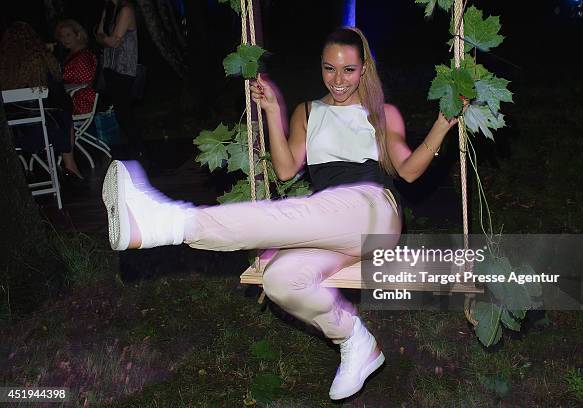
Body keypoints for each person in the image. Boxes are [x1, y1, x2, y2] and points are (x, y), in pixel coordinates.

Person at [102, 27, 460, 400]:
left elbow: (408, 170)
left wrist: (441, 125)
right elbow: (287, 169)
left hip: (374, 210)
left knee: (288, 216)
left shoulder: (381, 114)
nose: (338, 80)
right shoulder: (308, 112)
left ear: (364, 69)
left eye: (349, 70)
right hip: (331, 224)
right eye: (329, 69)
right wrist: (273, 111)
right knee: (280, 280)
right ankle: (355, 340)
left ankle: (167, 223)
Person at [0, 21, 83, 179]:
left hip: (13, 133)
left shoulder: (5, 69)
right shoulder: (42, 64)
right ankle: (70, 166)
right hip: (43, 131)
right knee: (64, 113)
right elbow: (60, 97)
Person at [95, 0, 142, 157]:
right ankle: (135, 147)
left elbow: (115, 41)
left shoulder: (126, 10)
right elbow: (99, 35)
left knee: (124, 111)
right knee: (120, 111)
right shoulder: (109, 9)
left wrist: (104, 39)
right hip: (109, 67)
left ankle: (138, 150)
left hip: (123, 68)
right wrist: (104, 39)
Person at [55, 19, 97, 115]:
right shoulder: (70, 55)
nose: (65, 39)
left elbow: (86, 82)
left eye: (68, 35)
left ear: (78, 35)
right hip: (70, 95)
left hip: (82, 99)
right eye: (62, 36)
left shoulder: (84, 56)